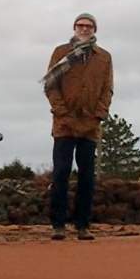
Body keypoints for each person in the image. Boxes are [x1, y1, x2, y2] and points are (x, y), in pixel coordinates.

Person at [41, 12, 113, 240]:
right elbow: (51, 85)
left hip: (90, 125)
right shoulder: (62, 53)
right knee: (61, 173)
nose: (84, 29)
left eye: (89, 26)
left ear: (95, 29)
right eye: (80, 25)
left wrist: (99, 114)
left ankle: (83, 225)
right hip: (64, 124)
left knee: (87, 176)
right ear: (74, 28)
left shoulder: (103, 57)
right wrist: (61, 112)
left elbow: (107, 89)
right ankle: (58, 225)